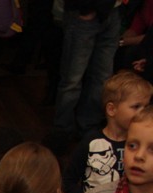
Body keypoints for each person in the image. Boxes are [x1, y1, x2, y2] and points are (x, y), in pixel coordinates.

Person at [63, 70, 152, 193]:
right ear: (111, 109)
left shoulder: (140, 147)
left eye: (145, 107)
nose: (142, 112)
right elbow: (68, 181)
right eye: (136, 106)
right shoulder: (92, 142)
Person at [44, 0, 121, 153]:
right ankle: (62, 132)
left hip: (113, 10)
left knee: (102, 78)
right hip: (84, 11)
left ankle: (88, 129)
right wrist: (85, 8)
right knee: (72, 78)